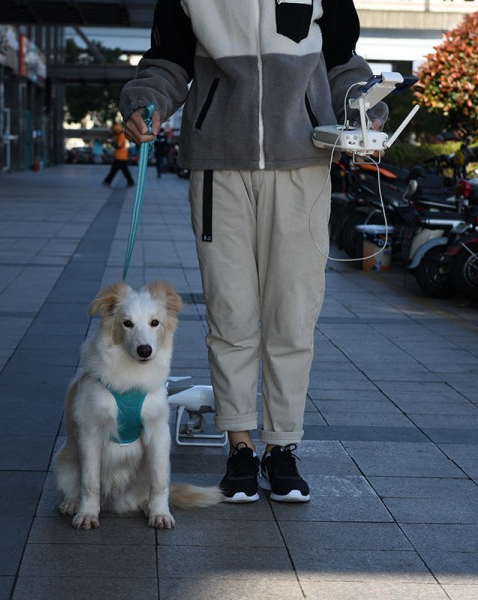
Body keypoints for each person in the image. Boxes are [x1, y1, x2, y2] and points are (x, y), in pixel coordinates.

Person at [120, 0, 388, 504]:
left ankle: (282, 447)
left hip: (304, 159)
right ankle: (240, 446)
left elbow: (342, 62)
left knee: (293, 314)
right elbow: (167, 62)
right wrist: (144, 102)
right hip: (219, 166)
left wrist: (364, 106)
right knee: (231, 312)